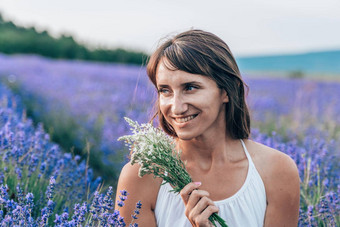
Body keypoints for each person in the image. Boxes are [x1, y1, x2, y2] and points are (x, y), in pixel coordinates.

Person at [115, 29, 300, 227]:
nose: (176, 107)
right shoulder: (143, 175)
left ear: (226, 92)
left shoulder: (276, 171)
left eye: (190, 87)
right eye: (165, 91)